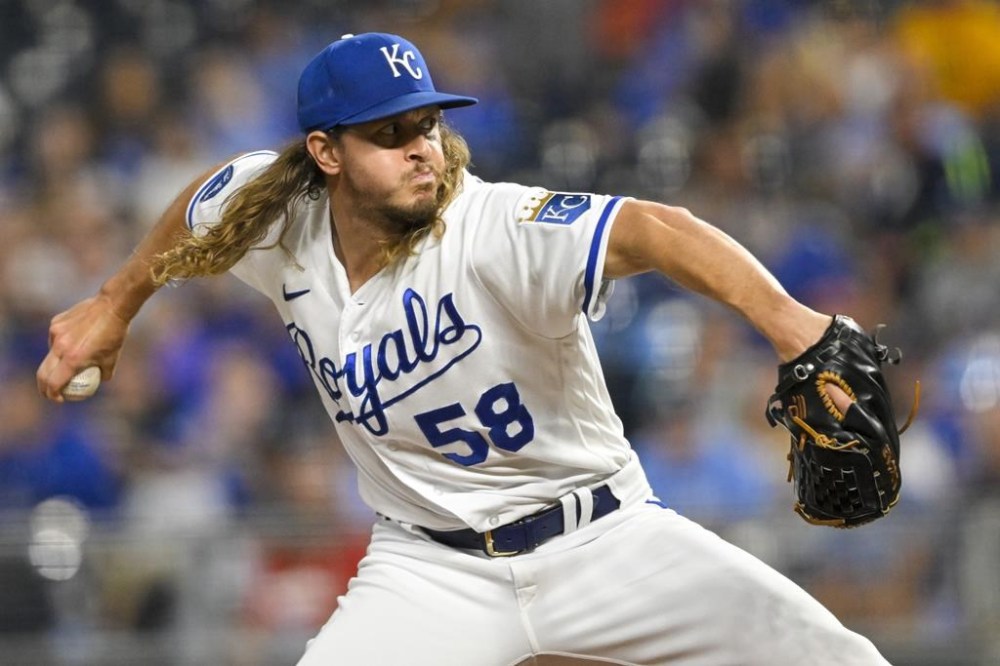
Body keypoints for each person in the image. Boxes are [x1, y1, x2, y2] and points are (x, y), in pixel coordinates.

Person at [37, 32, 891, 665]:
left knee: (839, 659)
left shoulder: (492, 225)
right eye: (389, 132)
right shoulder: (284, 221)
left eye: (428, 123)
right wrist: (114, 304)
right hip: (429, 569)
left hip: (604, 538)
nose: (422, 148)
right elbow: (206, 201)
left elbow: (659, 230)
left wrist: (794, 325)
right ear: (326, 154)